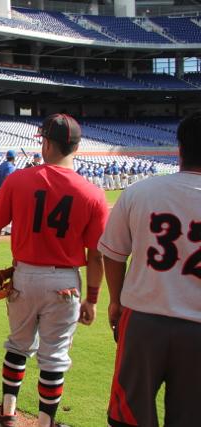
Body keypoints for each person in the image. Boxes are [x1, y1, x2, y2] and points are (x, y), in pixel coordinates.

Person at [0, 114, 108, 427]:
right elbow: (96, 254)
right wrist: (93, 299)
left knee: (17, 347)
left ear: (46, 143)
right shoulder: (93, 193)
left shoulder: (19, 180)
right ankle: (46, 423)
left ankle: (6, 414)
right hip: (65, 282)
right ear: (76, 146)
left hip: (24, 277)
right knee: (54, 357)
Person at [98, 112, 201, 427]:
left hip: (142, 319)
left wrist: (115, 300)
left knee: (129, 416)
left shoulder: (141, 192)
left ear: (180, 149)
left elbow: (113, 254)